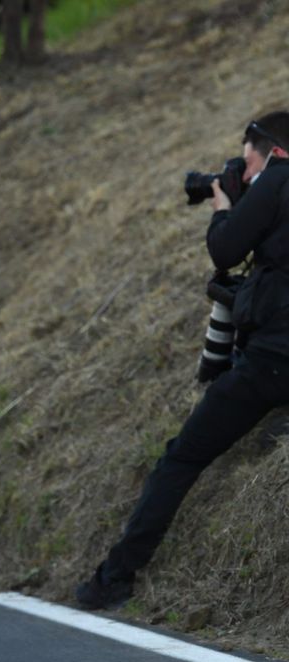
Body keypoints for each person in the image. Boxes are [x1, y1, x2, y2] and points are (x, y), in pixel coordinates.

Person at [76, 112, 289, 609]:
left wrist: (223, 206)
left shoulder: (278, 177)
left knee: (183, 457)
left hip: (273, 360)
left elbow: (224, 249)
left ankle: (115, 578)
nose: (244, 167)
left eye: (247, 157)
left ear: (272, 152)